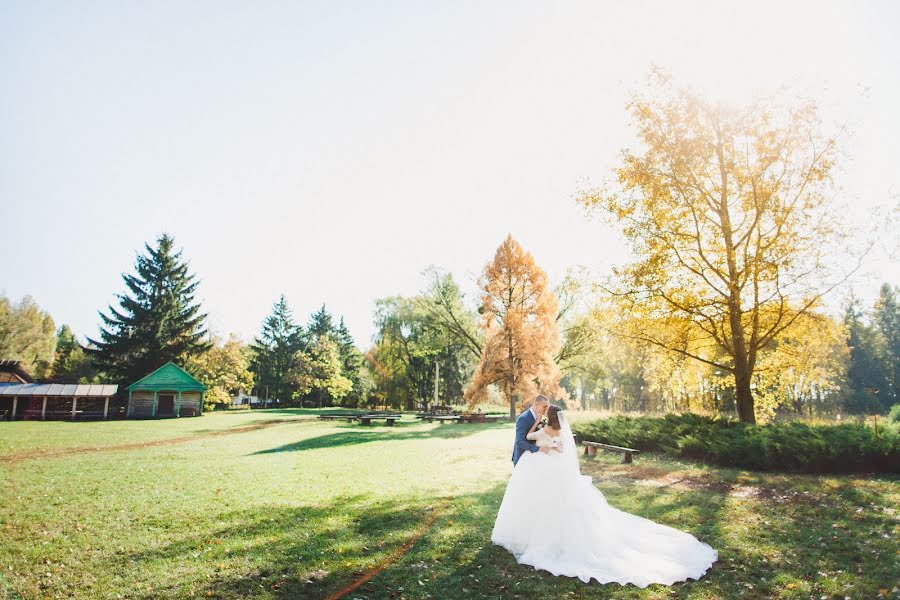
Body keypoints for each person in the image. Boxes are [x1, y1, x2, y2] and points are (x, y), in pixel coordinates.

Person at [493, 399, 718, 587]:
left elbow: (531, 438)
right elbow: (543, 446)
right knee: (553, 502)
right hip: (552, 468)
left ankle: (540, 534)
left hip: (544, 467)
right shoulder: (557, 430)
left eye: (545, 410)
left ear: (547, 415)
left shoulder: (542, 428)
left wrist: (542, 439)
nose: (543, 411)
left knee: (547, 502)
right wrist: (550, 446)